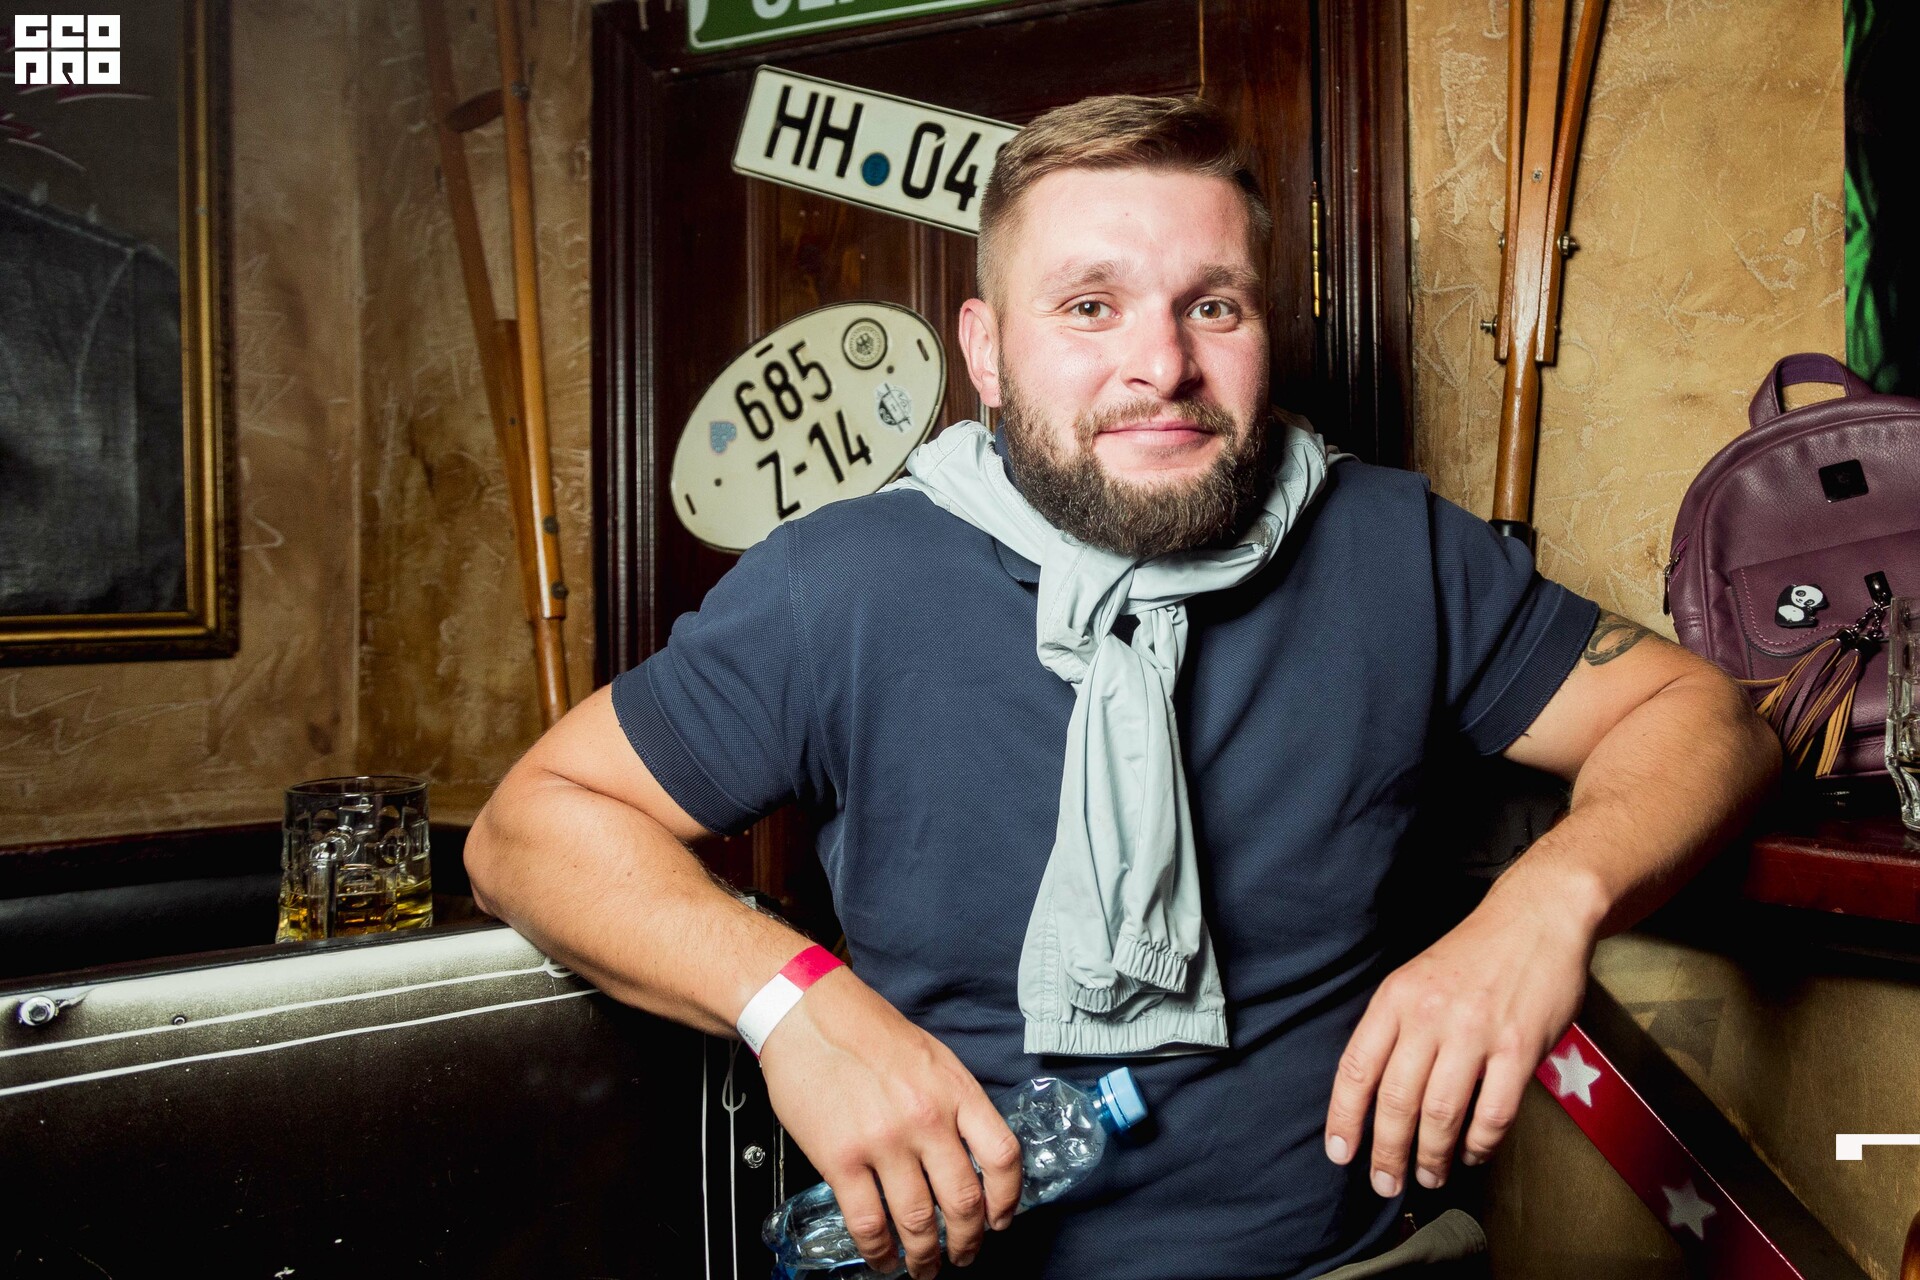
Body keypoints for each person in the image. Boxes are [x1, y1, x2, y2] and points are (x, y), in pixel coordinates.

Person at [465, 95, 1780, 1279]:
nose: (1162, 366)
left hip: (1354, 1264)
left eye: (1213, 306)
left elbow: (1705, 717)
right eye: (1090, 307)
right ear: (987, 352)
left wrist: (1543, 907)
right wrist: (789, 1003)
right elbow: (529, 830)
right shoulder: (842, 584)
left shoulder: (1395, 548)